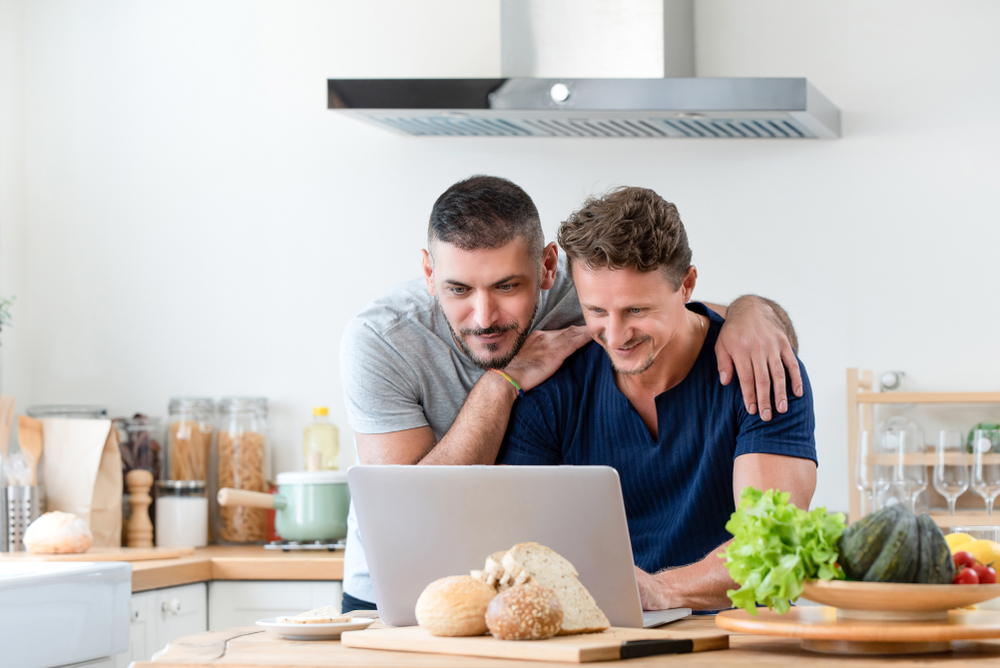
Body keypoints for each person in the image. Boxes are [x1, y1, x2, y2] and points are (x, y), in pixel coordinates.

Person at [338, 175, 804, 613]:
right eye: (458, 288)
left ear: (546, 269)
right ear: (428, 271)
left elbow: (685, 314)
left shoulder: (590, 289)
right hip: (395, 584)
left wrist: (754, 312)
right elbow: (405, 517)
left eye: (507, 286)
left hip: (671, 614)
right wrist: (503, 382)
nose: (483, 316)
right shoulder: (381, 340)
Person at [496, 186, 817, 612]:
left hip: (739, 635)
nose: (615, 334)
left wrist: (664, 591)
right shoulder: (553, 392)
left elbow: (772, 545)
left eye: (636, 311)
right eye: (596, 311)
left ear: (686, 285)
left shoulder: (760, 372)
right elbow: (518, 543)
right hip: (603, 631)